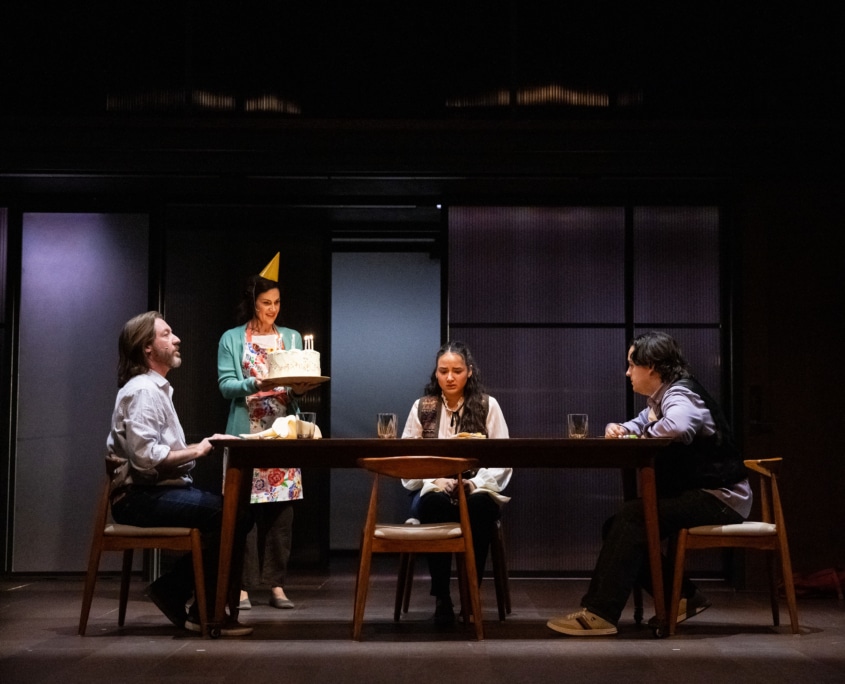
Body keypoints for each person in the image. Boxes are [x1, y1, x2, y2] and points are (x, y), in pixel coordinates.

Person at [546, 331, 752, 636]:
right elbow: (640, 423)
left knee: (632, 516)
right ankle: (684, 597)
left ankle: (600, 612)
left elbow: (678, 426)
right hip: (703, 494)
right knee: (618, 523)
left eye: (632, 365)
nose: (628, 372)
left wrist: (641, 435)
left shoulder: (680, 394)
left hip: (720, 498)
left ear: (652, 366)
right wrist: (618, 428)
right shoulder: (659, 399)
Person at [106, 311, 253, 636]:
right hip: (138, 497)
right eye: (167, 333)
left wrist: (206, 443)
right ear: (147, 347)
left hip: (152, 491)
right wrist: (198, 450)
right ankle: (200, 609)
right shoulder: (144, 391)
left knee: (234, 513)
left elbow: (157, 451)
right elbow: (145, 460)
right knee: (231, 515)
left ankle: (186, 599)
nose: (177, 339)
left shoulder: (157, 390)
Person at [217, 266, 320, 611]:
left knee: (281, 514)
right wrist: (255, 384)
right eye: (265, 303)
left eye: (276, 302)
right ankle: (243, 587)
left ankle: (276, 585)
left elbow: (295, 384)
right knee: (242, 512)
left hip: (281, 432)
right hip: (246, 432)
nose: (272, 309)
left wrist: (299, 389)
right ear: (252, 303)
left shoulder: (289, 337)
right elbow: (225, 385)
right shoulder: (232, 338)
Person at [401, 341, 512, 625]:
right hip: (434, 487)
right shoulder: (423, 407)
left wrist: (474, 484)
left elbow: (503, 459)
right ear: (436, 374)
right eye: (443, 371)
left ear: (469, 372)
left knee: (481, 506)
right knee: (434, 504)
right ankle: (442, 595)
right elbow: (407, 462)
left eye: (457, 371)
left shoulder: (488, 405)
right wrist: (435, 478)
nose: (450, 377)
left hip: (475, 486)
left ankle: (470, 592)